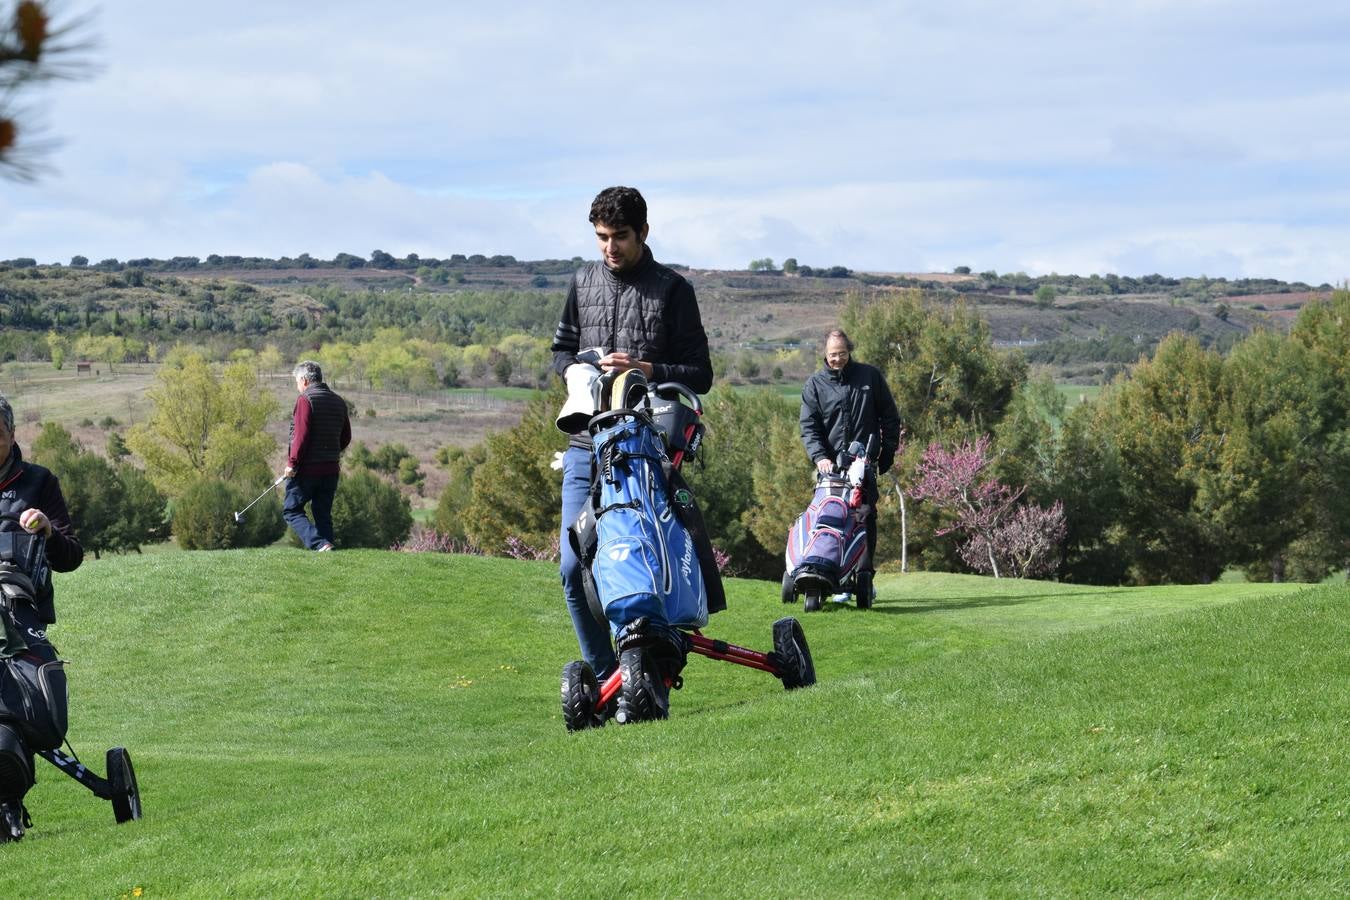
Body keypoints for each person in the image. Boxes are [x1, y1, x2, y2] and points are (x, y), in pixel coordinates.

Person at [551, 186, 713, 716]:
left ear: (643, 232)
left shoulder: (673, 289)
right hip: (586, 445)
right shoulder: (582, 281)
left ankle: (653, 682)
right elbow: (560, 351)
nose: (609, 248)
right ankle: (610, 681)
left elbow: (701, 374)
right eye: (601, 237)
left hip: (651, 451)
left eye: (619, 236)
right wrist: (579, 368)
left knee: (650, 565)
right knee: (574, 566)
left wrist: (645, 370)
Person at [0, 395, 84, 841]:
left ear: (12, 434)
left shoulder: (39, 482)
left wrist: (48, 530)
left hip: (20, 606)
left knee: (29, 685)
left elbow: (71, 556)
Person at [799, 329, 901, 592]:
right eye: (833, 354)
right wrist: (820, 457)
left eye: (842, 353)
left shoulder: (870, 376)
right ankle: (830, 571)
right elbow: (809, 427)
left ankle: (863, 576)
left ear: (849, 351)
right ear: (825, 353)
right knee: (828, 517)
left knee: (864, 517)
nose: (838, 359)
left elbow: (889, 418)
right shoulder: (815, 385)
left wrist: (884, 454)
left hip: (863, 465)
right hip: (829, 468)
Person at [283, 361, 352, 552]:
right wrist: (330, 452)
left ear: (304, 380)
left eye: (297, 382)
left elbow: (300, 436)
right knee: (323, 513)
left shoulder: (305, 400)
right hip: (330, 469)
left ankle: (319, 544)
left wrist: (292, 463)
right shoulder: (338, 401)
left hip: (307, 470)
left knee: (291, 510)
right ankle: (327, 549)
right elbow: (346, 437)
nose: (297, 386)